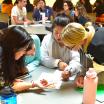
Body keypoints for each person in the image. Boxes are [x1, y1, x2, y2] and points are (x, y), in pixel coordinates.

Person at [61, 22, 104, 87]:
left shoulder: (98, 47)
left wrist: (90, 81)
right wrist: (82, 75)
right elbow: (86, 64)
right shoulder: (85, 36)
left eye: (71, 47)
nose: (71, 50)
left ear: (79, 41)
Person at [41, 14, 81, 81]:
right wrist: (57, 63)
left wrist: (69, 71)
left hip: (69, 77)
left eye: (62, 33)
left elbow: (76, 60)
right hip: (49, 74)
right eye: (56, 32)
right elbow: (42, 57)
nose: (58, 36)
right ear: (52, 30)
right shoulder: (47, 39)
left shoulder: (72, 41)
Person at [0, 26, 42, 92]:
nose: (24, 53)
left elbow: (4, 81)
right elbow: (6, 89)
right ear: (15, 47)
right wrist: (33, 84)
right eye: (24, 49)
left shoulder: (7, 56)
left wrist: (9, 81)